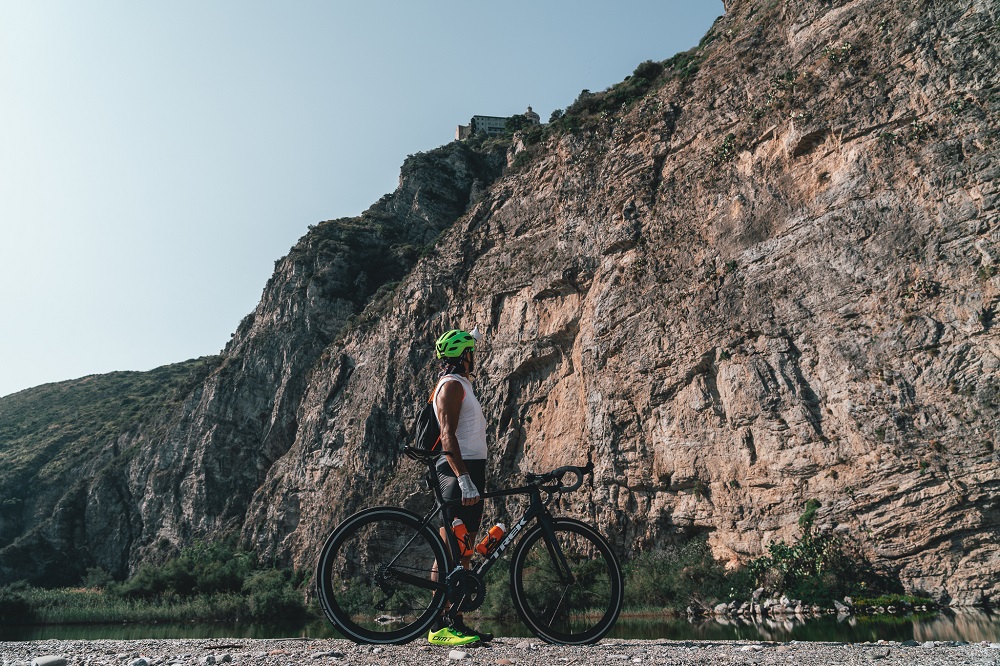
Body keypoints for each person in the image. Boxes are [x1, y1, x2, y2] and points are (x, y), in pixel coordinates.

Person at [426, 327, 495, 647]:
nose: (474, 357)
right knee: (449, 552)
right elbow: (447, 435)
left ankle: (456, 623)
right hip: (455, 472)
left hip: (471, 470)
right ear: (463, 355)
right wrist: (463, 478)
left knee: (464, 552)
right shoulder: (451, 385)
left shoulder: (463, 384)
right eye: (471, 351)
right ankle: (438, 624)